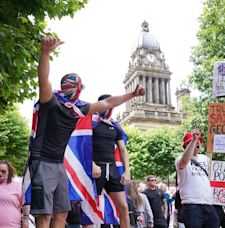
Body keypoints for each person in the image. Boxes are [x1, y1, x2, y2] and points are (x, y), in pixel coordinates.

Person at [29, 36, 145, 228]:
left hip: (58, 163)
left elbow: (108, 103)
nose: (76, 90)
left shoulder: (78, 109)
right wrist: (45, 53)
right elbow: (43, 79)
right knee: (45, 214)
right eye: (73, 85)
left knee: (62, 212)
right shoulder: (50, 101)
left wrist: (132, 95)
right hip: (43, 160)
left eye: (78, 86)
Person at [92, 94, 131, 228]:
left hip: (113, 170)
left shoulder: (115, 126)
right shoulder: (91, 123)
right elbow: (82, 145)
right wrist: (92, 164)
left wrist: (127, 171)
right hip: (95, 169)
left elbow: (123, 150)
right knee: (89, 208)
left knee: (124, 206)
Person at [175, 128, 219, 228]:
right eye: (193, 141)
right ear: (186, 145)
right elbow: (184, 160)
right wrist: (194, 140)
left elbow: (221, 173)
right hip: (192, 205)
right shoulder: (179, 160)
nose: (197, 142)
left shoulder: (205, 158)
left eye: (199, 141)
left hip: (209, 204)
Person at [0, 160, 29, 228]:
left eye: (3, 171)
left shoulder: (18, 186)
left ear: (9, 172)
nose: (0, 173)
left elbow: (26, 205)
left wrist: (25, 219)